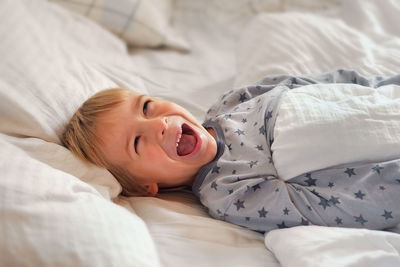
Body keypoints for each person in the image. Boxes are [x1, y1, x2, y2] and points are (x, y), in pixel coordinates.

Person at [62, 70, 400, 233]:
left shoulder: (233, 102)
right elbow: (330, 206)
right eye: (137, 142)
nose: (158, 125)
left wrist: (386, 88)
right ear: (143, 186)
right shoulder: (227, 193)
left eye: (147, 106)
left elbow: (320, 86)